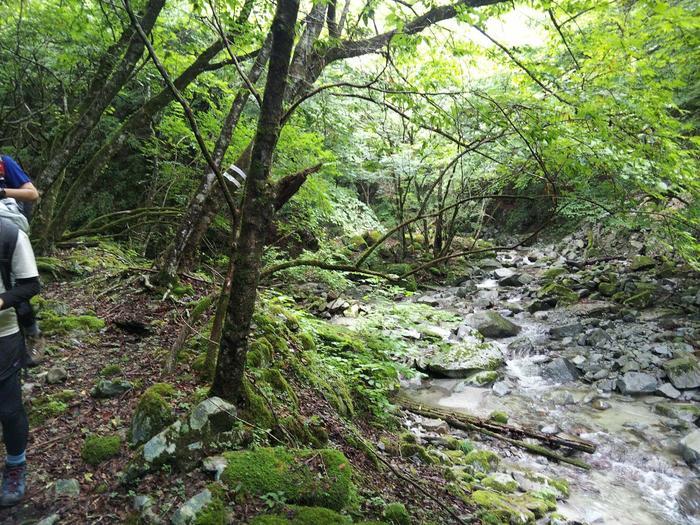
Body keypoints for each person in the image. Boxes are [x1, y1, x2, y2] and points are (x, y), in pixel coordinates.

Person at [0, 218, 40, 506]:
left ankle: (16, 466)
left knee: (9, 408)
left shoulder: (9, 234)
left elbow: (29, 285)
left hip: (4, 334)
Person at [0, 155, 43, 365]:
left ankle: (31, 335)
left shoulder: (4, 163)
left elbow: (32, 193)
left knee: (17, 286)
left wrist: (2, 192)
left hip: (7, 232)